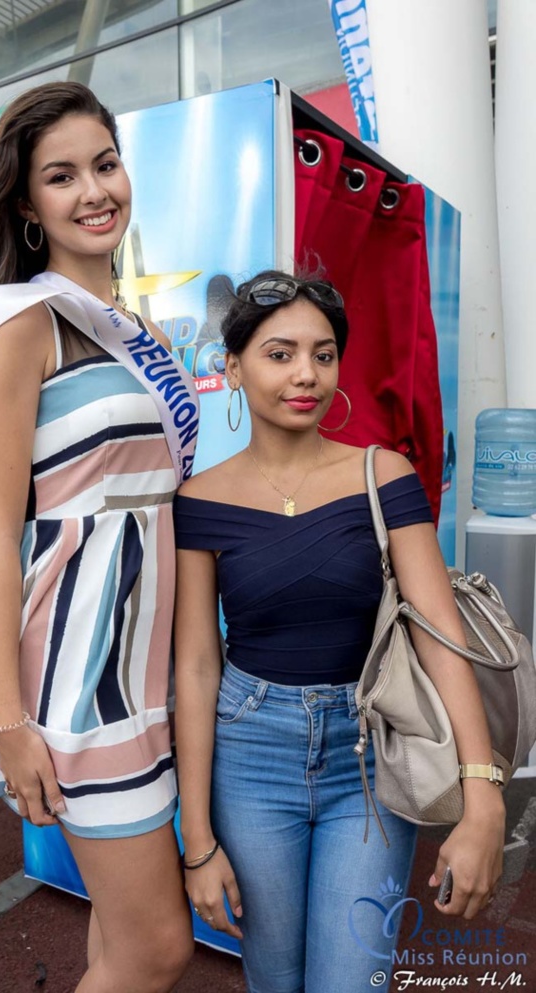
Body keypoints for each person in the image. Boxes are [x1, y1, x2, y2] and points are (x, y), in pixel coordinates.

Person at [173, 271, 505, 993]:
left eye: (323, 355)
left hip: (370, 752)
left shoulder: (384, 476)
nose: (306, 374)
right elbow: (196, 668)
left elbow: (440, 637)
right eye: (280, 353)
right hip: (250, 754)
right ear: (233, 367)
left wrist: (482, 793)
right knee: (274, 975)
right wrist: (196, 841)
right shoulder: (198, 501)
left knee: (353, 978)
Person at [0, 81, 196, 993]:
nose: (94, 191)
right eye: (62, 176)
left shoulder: (140, 331)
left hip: (151, 669)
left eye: (105, 164)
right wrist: (8, 722)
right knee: (155, 949)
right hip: (80, 681)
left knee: (116, 932)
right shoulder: (25, 326)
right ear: (27, 204)